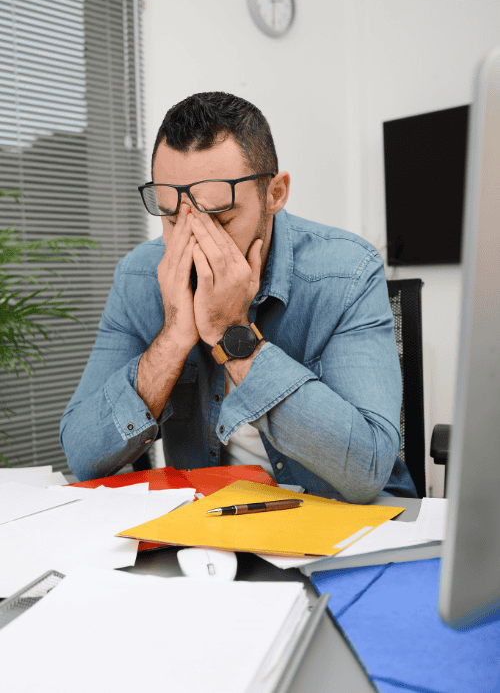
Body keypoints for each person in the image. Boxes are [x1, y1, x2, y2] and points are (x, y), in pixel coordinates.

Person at [60, 91, 417, 503]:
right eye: (172, 217)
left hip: (338, 517)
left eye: (220, 219)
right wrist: (174, 336)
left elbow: (367, 470)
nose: (193, 242)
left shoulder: (348, 272)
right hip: (209, 532)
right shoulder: (139, 277)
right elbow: (83, 455)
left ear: (275, 193)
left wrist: (234, 337)